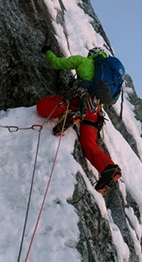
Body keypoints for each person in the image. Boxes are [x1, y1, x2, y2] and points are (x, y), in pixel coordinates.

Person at [36, 46, 122, 194]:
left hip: (79, 100)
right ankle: (109, 168)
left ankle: (71, 113)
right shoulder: (108, 78)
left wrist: (47, 51)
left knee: (43, 107)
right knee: (89, 144)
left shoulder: (83, 62)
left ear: (91, 55)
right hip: (95, 113)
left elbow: (56, 63)